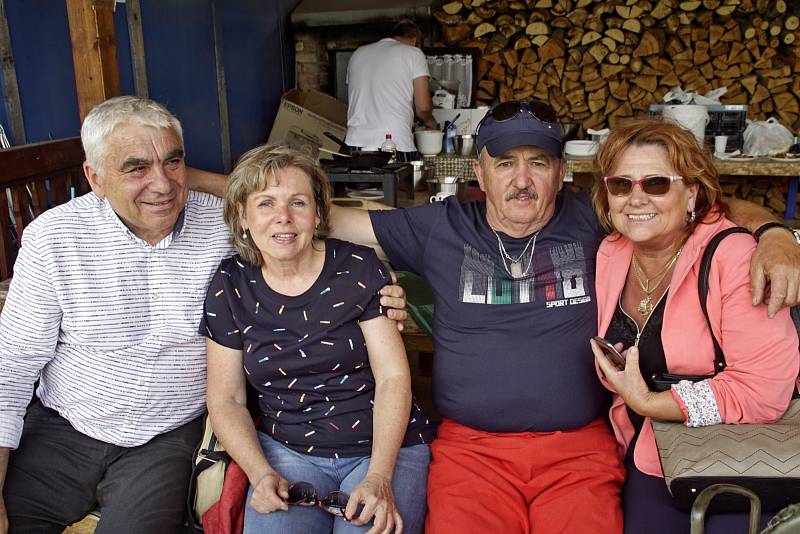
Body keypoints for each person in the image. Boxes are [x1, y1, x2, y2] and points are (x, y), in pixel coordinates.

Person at [321, 99, 800, 534]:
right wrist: (275, 194)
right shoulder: (439, 226)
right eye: (505, 163)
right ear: (479, 173)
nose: (522, 180)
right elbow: (335, 221)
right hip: (472, 452)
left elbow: (708, 209)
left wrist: (776, 233)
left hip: (580, 450)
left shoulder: (597, 217)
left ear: (563, 172)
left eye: (538, 163)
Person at [0, 96, 407, 534]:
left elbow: (302, 214)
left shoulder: (227, 223)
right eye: (137, 168)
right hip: (65, 425)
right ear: (94, 178)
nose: (162, 185)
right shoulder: (55, 238)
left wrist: (371, 284)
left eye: (173, 163)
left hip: (167, 436)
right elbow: (11, 366)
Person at [201, 145, 434, 534]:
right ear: (241, 215)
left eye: (298, 202)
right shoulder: (231, 285)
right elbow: (225, 399)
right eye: (265, 204)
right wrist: (260, 474)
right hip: (287, 451)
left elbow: (393, 376)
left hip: (382, 446)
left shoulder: (358, 267)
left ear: (318, 213)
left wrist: (379, 476)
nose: (283, 219)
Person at [589, 118, 800, 533]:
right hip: (648, 453)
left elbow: (763, 389)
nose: (636, 198)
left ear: (692, 192)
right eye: (621, 184)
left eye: (656, 184)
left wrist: (650, 402)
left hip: (739, 462)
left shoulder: (734, 256)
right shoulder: (611, 252)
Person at [345, 19, 438, 160]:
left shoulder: (357, 53)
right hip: (394, 144)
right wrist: (431, 122)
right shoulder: (414, 53)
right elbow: (423, 107)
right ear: (414, 41)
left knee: (362, 182)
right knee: (404, 182)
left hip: (354, 144)